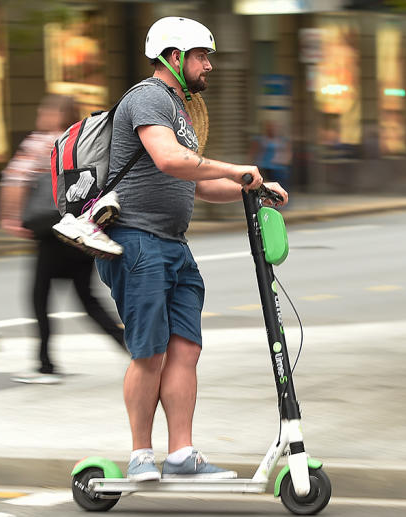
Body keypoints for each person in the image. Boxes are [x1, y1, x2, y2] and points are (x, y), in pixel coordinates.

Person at [93, 17, 288, 481]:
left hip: (174, 245)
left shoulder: (181, 108)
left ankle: (181, 453)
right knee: (149, 353)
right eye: (202, 55)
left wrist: (250, 189)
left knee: (185, 350)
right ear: (174, 57)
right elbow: (169, 159)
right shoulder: (147, 97)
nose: (210, 65)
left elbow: (196, 184)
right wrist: (238, 166)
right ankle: (142, 454)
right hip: (137, 240)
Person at [1, 94, 127, 384]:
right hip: (82, 229)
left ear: (57, 114)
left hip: (52, 232)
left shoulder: (41, 142)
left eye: (45, 109)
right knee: (87, 299)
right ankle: (130, 346)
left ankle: (45, 364)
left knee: (39, 297)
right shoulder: (80, 140)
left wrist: (9, 217)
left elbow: (15, 178)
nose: (40, 113)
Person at [251, 120, 292, 191]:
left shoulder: (282, 140)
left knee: (280, 187)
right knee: (266, 187)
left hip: (279, 168)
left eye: (274, 127)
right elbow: (254, 152)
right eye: (270, 127)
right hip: (265, 166)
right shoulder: (261, 139)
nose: (272, 129)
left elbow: (288, 152)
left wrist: (286, 161)